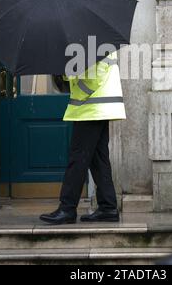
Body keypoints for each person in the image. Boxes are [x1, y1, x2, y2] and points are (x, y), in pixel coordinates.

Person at [40, 52, 126, 225]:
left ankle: (67, 208)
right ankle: (108, 207)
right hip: (99, 106)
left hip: (91, 107)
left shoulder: (90, 40)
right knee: (98, 159)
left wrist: (64, 73)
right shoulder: (97, 37)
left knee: (78, 157)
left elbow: (93, 77)